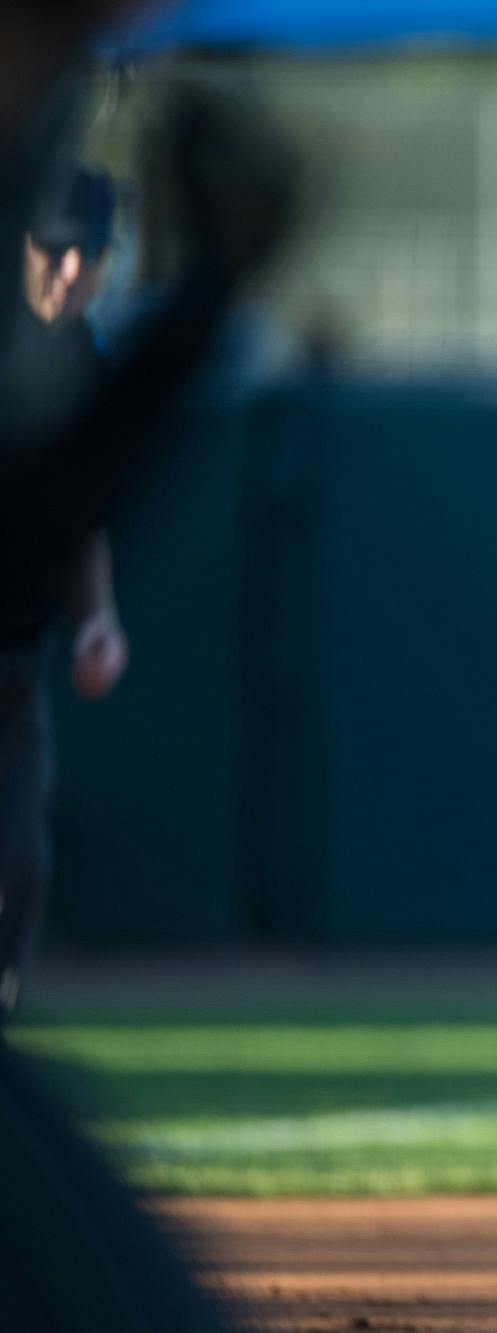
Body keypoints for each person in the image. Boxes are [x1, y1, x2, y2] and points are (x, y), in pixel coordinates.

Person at [0, 164, 129, 1027]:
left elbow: (81, 524)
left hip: (18, 665)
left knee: (20, 865)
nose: (71, 271)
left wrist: (99, 619)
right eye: (54, 250)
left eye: (88, 253)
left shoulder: (83, 361)